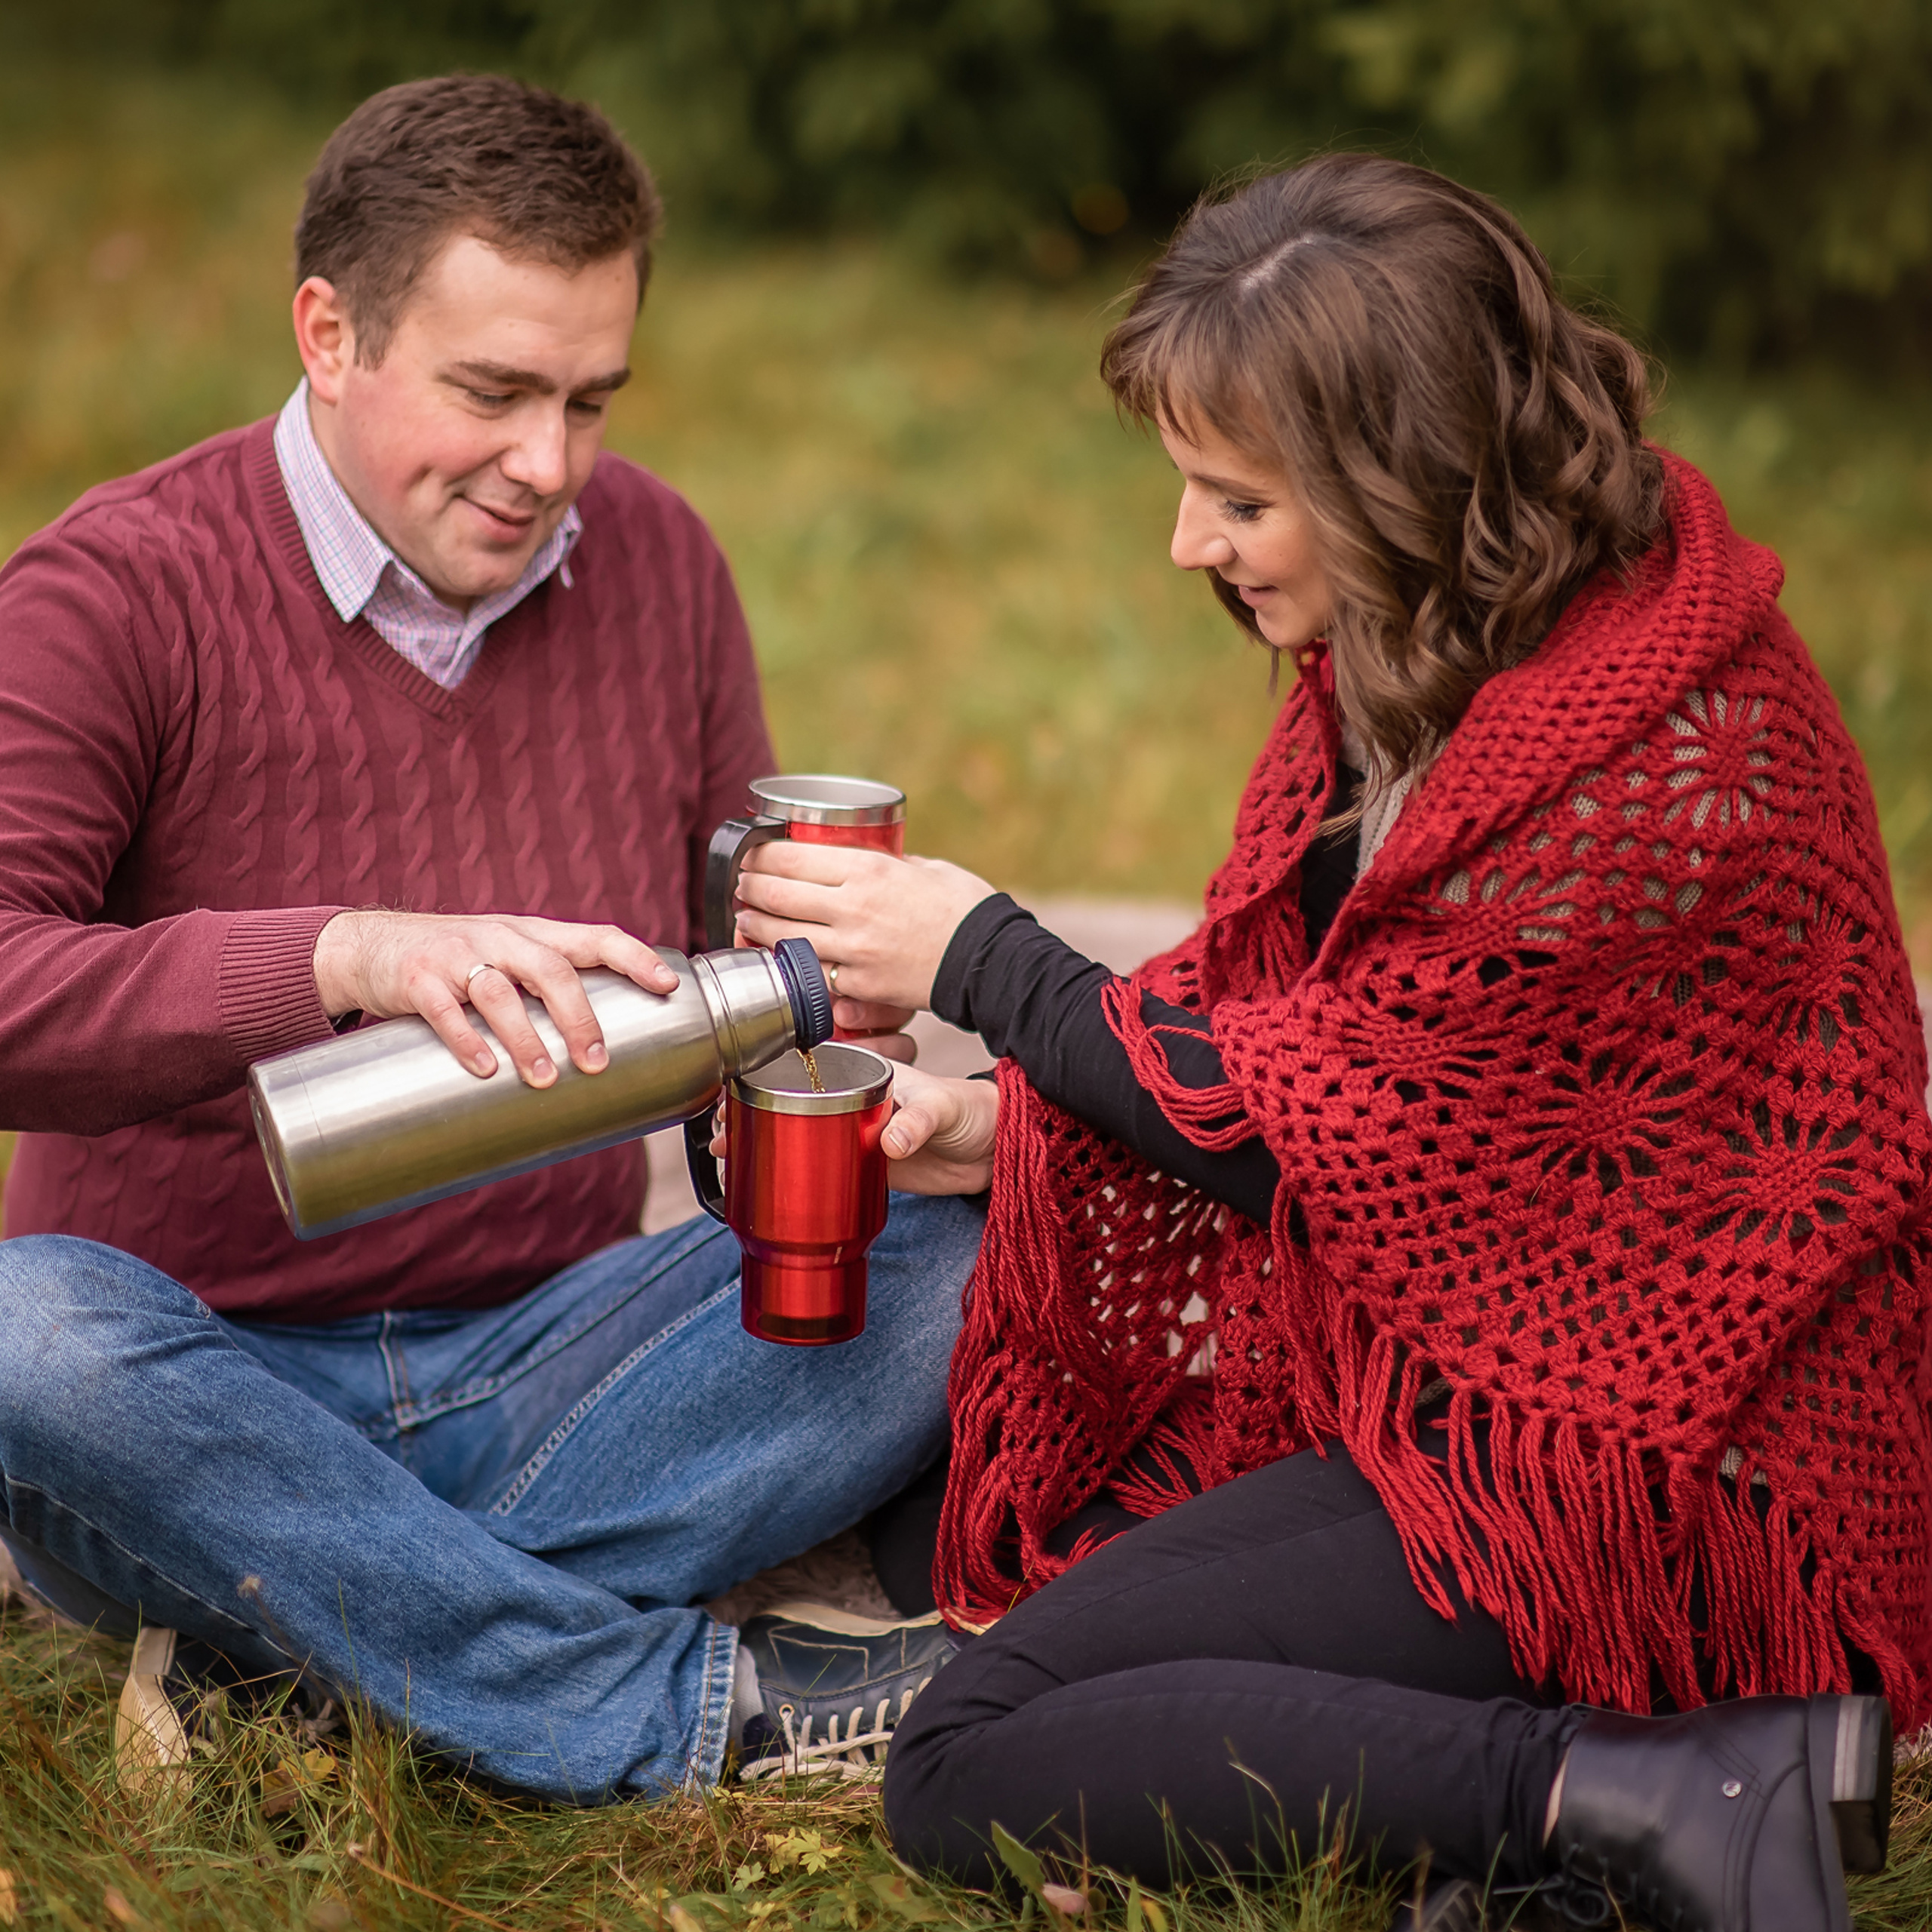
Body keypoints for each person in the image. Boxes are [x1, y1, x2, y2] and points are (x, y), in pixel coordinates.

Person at [731, 155, 1928, 1930]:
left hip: (1653, 1471)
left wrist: (981, 953)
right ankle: (1571, 1835)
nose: (1186, 544)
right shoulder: (1429, 654)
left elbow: (1320, 1127)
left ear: (1403, 482)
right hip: (1464, 1381)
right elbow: (1326, 1063)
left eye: (1235, 497)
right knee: (972, 1516)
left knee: (967, 1751)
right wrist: (1002, 1127)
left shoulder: (1661, 762)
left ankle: (1665, 1789)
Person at [0, 74, 976, 1802]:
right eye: (494, 391)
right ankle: (644, 1696)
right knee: (24, 1334)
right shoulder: (116, 592)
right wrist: (331, 959)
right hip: (194, 1382)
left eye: (591, 398)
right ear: (328, 332)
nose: (549, 463)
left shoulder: (658, 561)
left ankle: (324, 1623)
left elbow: (719, 999)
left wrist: (854, 1098)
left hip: (556, 1355)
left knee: (985, 1237)